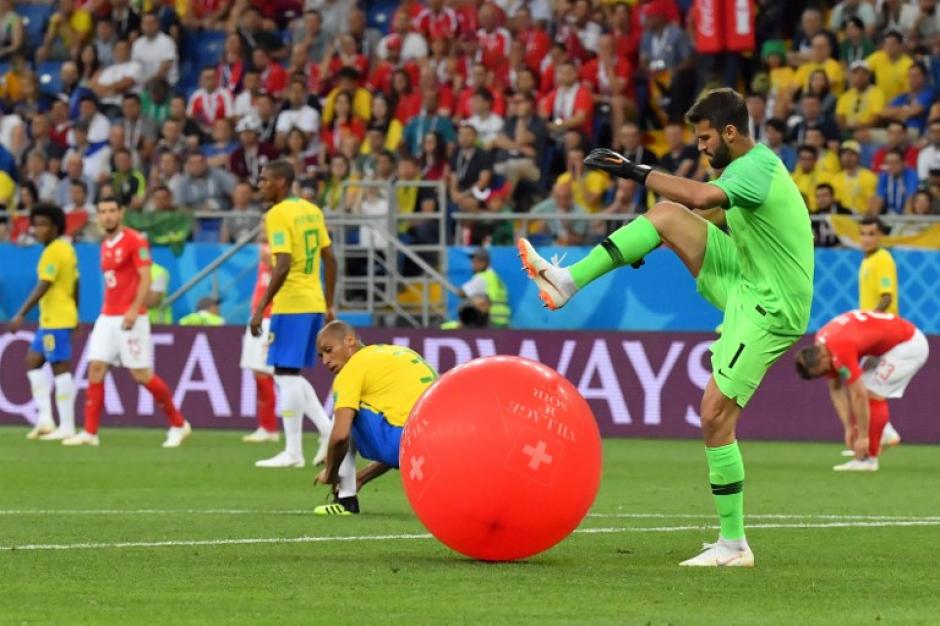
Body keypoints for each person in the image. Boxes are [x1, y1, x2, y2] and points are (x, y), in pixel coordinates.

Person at [518, 88, 814, 567]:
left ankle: (734, 545)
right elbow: (701, 213)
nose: (699, 147)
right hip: (744, 278)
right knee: (665, 215)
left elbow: (699, 195)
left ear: (730, 133)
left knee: (715, 415)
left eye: (704, 138)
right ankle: (567, 281)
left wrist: (635, 170)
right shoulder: (745, 172)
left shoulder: (755, 169)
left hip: (770, 305)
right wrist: (649, 242)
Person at [62, 198, 191, 447]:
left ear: (121, 213)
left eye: (112, 211)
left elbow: (145, 277)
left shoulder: (135, 240)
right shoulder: (105, 244)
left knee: (141, 374)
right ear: (98, 216)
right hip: (107, 316)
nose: (108, 216)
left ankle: (178, 423)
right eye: (103, 212)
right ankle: (90, 432)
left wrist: (134, 308)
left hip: (130, 317)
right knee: (96, 368)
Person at [249, 160, 337, 468]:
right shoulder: (311, 210)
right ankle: (325, 431)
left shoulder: (277, 214)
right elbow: (330, 257)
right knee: (290, 375)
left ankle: (295, 451)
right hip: (313, 300)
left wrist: (261, 306)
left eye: (265, 180)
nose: (260, 186)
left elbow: (283, 264)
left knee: (285, 375)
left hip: (292, 302)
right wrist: (329, 302)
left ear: (281, 182)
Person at [312, 321, 438, 515]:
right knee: (395, 418)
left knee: (345, 413)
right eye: (321, 356)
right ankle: (355, 483)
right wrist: (361, 477)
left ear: (350, 340)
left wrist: (330, 472)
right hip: (439, 447)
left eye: (329, 350)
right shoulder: (398, 353)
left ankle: (346, 500)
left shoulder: (351, 369)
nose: (325, 360)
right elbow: (406, 431)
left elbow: (340, 437)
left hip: (402, 445)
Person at [795, 310, 928, 471]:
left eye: (823, 370)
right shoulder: (822, 345)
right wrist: (849, 428)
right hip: (888, 346)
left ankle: (868, 460)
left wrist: (863, 437)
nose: (826, 373)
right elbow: (836, 388)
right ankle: (885, 434)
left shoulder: (840, 348)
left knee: (870, 392)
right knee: (862, 387)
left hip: (908, 346)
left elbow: (859, 395)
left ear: (822, 357)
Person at [7, 203, 79, 441]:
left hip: (55, 320)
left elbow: (44, 284)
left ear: (55, 226)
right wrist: (76, 313)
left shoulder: (54, 251)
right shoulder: (66, 248)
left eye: (43, 224)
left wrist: (20, 313)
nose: (38, 230)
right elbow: (76, 283)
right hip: (54, 318)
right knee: (33, 362)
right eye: (35, 224)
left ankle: (67, 425)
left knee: (60, 369)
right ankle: (46, 420)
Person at [857, 216, 903, 448]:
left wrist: (869, 320)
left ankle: (882, 433)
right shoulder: (868, 260)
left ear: (880, 235)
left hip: (881, 329)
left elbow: (886, 297)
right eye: (863, 234)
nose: (867, 238)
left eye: (871, 234)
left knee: (863, 384)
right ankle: (879, 433)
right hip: (874, 328)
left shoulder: (882, 259)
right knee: (866, 384)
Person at [241, 241, 279, 444]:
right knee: (259, 373)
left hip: (271, 318)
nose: (262, 225)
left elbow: (272, 260)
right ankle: (265, 426)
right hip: (258, 317)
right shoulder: (267, 246)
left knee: (267, 373)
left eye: (265, 222)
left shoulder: (279, 247)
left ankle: (269, 427)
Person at [456, 248, 511, 328]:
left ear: (484, 263)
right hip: (504, 320)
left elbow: (462, 292)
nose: (473, 265)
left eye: (476, 262)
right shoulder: (495, 277)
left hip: (490, 320)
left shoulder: (482, 277)